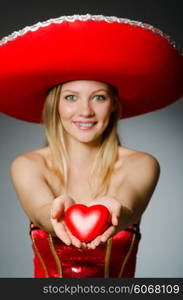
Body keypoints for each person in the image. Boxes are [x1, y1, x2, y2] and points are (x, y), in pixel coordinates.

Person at [0, 14, 182, 278]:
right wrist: (56, 215)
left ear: (114, 105)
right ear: (56, 106)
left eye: (98, 97)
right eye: (71, 97)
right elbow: (40, 213)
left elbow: (129, 206)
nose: (85, 111)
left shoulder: (141, 163)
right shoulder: (28, 165)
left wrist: (114, 212)